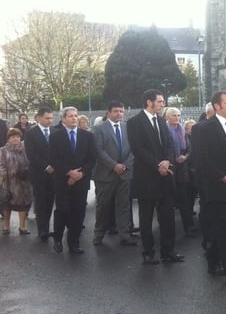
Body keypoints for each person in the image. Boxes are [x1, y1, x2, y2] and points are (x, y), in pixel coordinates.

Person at [191, 90, 226, 283]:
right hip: (215, 187)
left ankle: (212, 260)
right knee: (223, 226)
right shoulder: (202, 129)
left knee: (225, 226)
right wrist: (222, 176)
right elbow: (200, 159)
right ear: (217, 106)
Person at [127, 89, 183, 265]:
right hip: (147, 178)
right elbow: (138, 149)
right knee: (146, 218)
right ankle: (148, 252)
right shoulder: (134, 123)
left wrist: (167, 161)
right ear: (149, 102)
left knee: (167, 216)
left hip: (165, 176)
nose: (162, 104)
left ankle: (168, 251)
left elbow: (169, 145)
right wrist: (158, 165)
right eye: (159, 101)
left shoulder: (161, 121)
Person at [49, 107, 97, 254]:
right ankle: (58, 239)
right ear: (63, 119)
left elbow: (92, 158)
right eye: (70, 116)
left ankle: (74, 243)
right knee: (62, 210)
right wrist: (69, 173)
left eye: (76, 115)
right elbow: (53, 158)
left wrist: (80, 174)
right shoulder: (55, 136)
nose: (74, 118)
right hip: (62, 181)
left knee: (78, 212)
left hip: (81, 181)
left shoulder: (87, 136)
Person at [91, 101, 137, 247]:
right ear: (109, 112)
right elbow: (99, 151)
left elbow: (133, 149)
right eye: (116, 111)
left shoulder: (128, 128)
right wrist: (114, 165)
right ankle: (99, 234)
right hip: (106, 174)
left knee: (123, 205)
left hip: (125, 173)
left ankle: (125, 235)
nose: (119, 114)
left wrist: (125, 165)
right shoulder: (99, 129)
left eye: (121, 111)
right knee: (103, 205)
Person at [165, 107, 198, 238]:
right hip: (170, 168)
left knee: (184, 199)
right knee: (169, 200)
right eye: (174, 115)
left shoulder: (182, 131)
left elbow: (190, 148)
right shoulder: (164, 131)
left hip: (183, 169)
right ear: (167, 117)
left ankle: (188, 226)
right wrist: (174, 158)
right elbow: (165, 148)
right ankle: (169, 230)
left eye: (178, 115)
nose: (177, 118)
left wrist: (185, 157)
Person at [25, 107, 56, 242]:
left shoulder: (55, 132)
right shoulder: (31, 133)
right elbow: (31, 154)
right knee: (41, 201)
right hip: (39, 173)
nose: (50, 121)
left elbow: (59, 151)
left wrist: (55, 166)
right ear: (39, 118)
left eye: (51, 118)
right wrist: (46, 166)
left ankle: (46, 227)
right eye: (47, 118)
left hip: (54, 173)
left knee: (50, 201)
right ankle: (42, 229)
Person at [0, 128, 33, 235]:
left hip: (24, 183)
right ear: (8, 139)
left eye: (18, 137)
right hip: (9, 183)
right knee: (7, 205)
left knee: (24, 205)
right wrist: (7, 175)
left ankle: (22, 227)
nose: (15, 139)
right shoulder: (3, 150)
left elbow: (30, 162)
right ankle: (6, 226)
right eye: (13, 137)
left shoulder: (25, 149)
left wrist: (27, 172)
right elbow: (1, 166)